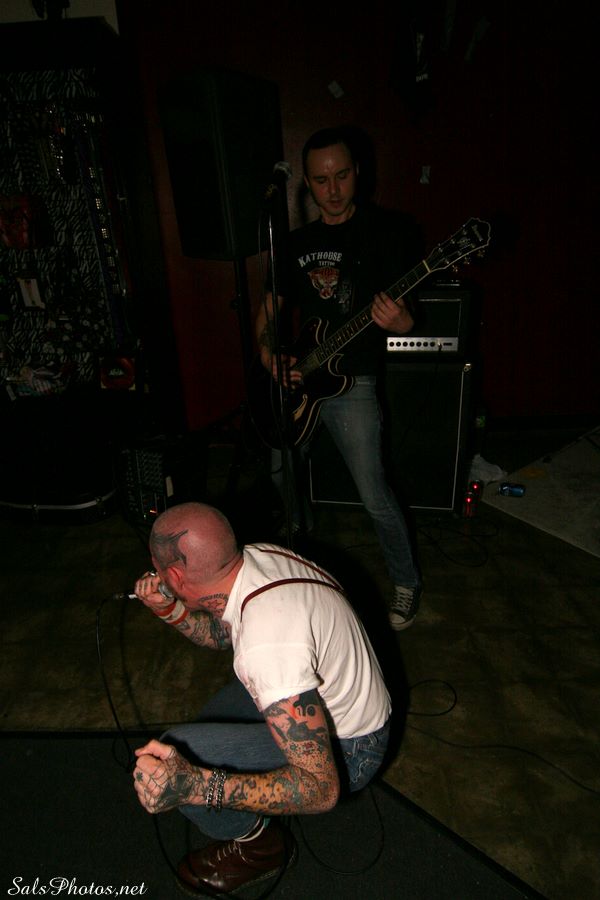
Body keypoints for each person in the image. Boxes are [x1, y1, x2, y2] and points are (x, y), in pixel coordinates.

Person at [132, 501, 391, 895]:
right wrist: (171, 610)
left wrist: (197, 786)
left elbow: (321, 790)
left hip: (352, 752)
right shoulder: (255, 558)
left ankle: (261, 849)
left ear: (176, 575)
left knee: (180, 758)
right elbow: (221, 634)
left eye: (159, 571)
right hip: (335, 697)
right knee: (195, 739)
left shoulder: (266, 648)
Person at [254, 125, 423, 630]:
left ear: (358, 173)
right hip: (300, 377)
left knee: (374, 494)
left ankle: (406, 582)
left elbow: (409, 315)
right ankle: (301, 550)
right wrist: (267, 354)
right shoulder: (294, 243)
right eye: (321, 180)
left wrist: (403, 323)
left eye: (342, 176)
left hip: (354, 382)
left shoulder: (387, 232)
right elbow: (268, 313)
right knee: (281, 472)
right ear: (306, 182)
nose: (333, 189)